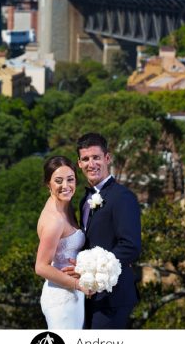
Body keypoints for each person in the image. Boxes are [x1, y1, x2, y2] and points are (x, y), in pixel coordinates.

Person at [69, 132, 141, 329]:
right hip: (89, 295)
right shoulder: (84, 200)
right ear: (80, 164)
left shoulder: (123, 197)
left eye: (96, 157)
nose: (91, 164)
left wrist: (91, 271)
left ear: (107, 158)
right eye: (85, 159)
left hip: (114, 296)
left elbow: (130, 246)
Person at [35, 155, 92, 329]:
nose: (65, 186)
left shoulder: (65, 206)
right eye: (58, 181)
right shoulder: (54, 221)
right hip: (62, 298)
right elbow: (41, 267)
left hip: (73, 293)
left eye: (70, 179)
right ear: (48, 184)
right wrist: (78, 284)